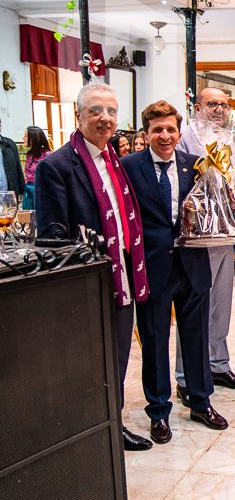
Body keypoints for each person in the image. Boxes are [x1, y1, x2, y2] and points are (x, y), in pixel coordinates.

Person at [122, 100, 235, 444]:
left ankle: (200, 401)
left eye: (170, 129)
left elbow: (220, 200)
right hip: (153, 266)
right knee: (154, 340)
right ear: (146, 134)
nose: (165, 135)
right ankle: (158, 411)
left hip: (192, 263)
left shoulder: (196, 166)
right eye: (158, 130)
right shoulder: (128, 167)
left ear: (179, 131)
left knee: (196, 335)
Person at [36, 83, 152, 451]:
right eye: (95, 111)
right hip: (87, 284)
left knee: (116, 360)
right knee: (87, 363)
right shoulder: (56, 167)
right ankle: (87, 432)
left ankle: (110, 425)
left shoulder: (115, 161)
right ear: (78, 115)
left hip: (122, 279)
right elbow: (53, 238)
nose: (105, 118)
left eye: (111, 112)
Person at [175, 87, 235, 399]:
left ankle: (218, 364)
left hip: (226, 235)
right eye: (212, 104)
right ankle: (185, 376)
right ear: (197, 108)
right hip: (197, 238)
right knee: (195, 308)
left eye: (223, 104)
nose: (218, 110)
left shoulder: (230, 141)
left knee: (221, 306)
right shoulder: (185, 140)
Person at [22, 126, 50, 210]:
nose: (23, 138)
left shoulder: (47, 155)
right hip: (28, 191)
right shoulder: (30, 154)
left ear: (33, 138)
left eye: (26, 135)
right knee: (27, 220)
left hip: (41, 192)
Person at [0, 118, 24, 199]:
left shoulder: (9, 144)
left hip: (9, 194)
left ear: (0, 127)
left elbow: (18, 168)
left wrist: (21, 190)